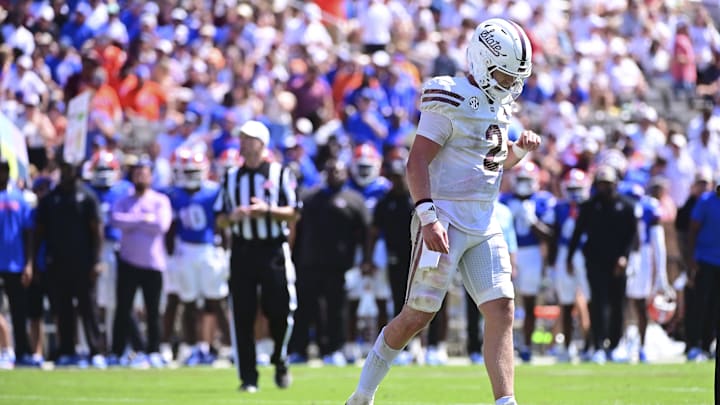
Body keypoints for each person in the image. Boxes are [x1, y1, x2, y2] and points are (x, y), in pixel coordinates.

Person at [347, 18, 540, 405]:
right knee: (417, 316)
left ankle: (506, 401)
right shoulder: (449, 95)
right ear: (484, 62)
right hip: (446, 219)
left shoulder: (498, 106)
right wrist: (428, 216)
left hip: (484, 220)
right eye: (504, 73)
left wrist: (517, 152)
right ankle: (362, 395)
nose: (509, 83)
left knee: (502, 307)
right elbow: (416, 162)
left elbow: (489, 167)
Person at [214, 120, 299, 393]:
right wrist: (232, 217)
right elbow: (219, 220)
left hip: (272, 248)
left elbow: (295, 211)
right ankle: (248, 377)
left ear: (262, 144)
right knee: (242, 313)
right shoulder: (230, 177)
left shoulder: (280, 173)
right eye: (241, 138)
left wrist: (268, 211)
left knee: (281, 309)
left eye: (249, 138)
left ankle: (280, 356)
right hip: (242, 250)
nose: (244, 143)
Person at [290, 158, 371, 366]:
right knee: (306, 308)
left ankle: (334, 349)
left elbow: (366, 232)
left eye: (339, 171)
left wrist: (365, 260)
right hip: (309, 263)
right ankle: (300, 349)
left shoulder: (354, 200)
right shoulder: (309, 198)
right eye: (331, 171)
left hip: (339, 265)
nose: (335, 174)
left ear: (346, 174)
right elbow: (295, 230)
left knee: (336, 309)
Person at [35, 160, 106, 368]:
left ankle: (95, 350)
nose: (67, 173)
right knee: (63, 309)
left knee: (88, 308)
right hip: (58, 262)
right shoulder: (51, 199)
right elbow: (39, 232)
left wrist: (96, 261)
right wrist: (36, 262)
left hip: (83, 264)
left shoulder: (87, 197)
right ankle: (67, 349)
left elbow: (97, 232)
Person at [566, 165, 638, 364]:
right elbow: (578, 232)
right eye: (601, 183)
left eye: (607, 183)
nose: (604, 187)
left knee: (617, 304)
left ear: (615, 184)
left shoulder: (626, 206)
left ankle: (615, 345)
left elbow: (632, 236)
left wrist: (624, 257)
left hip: (618, 263)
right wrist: (569, 257)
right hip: (595, 261)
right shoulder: (590, 206)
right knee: (598, 304)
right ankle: (598, 345)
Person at [166, 147, 228, 366]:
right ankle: (191, 347)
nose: (191, 176)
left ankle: (228, 348)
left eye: (195, 171)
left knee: (217, 300)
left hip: (209, 248)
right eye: (188, 172)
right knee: (188, 301)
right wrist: (171, 255)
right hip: (185, 249)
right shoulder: (174, 194)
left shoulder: (213, 191)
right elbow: (171, 228)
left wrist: (224, 250)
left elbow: (222, 223)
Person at [110, 157, 172, 368]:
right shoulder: (124, 200)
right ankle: (117, 351)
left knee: (153, 311)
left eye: (144, 173)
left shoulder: (160, 200)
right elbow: (116, 220)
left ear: (151, 176)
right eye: (137, 173)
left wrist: (135, 221)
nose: (140, 177)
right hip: (128, 261)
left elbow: (161, 225)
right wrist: (143, 219)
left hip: (153, 263)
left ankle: (153, 350)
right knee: (123, 309)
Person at [500, 160, 555, 363]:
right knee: (502, 301)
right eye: (520, 179)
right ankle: (504, 345)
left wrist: (533, 222)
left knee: (530, 301)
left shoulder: (543, 200)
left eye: (526, 179)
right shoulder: (504, 201)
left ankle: (526, 346)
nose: (523, 183)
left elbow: (549, 235)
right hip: (507, 251)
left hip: (531, 252)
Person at [467, 199, 518, 365]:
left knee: (502, 308)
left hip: (497, 260)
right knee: (473, 309)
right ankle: (474, 348)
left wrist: (513, 264)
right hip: (473, 259)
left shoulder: (504, 210)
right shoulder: (468, 205)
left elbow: (510, 240)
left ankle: (499, 354)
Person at [549, 169, 592, 362]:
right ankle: (567, 346)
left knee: (590, 301)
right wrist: (551, 263)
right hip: (564, 252)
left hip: (585, 252)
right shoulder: (559, 208)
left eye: (578, 188)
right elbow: (553, 235)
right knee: (566, 302)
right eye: (571, 188)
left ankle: (591, 346)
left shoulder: (591, 207)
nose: (575, 192)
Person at [0, 156, 34, 367]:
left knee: (19, 311)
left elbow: (29, 232)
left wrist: (29, 263)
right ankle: (5, 349)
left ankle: (22, 352)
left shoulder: (19, 198)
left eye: (4, 169)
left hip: (15, 263)